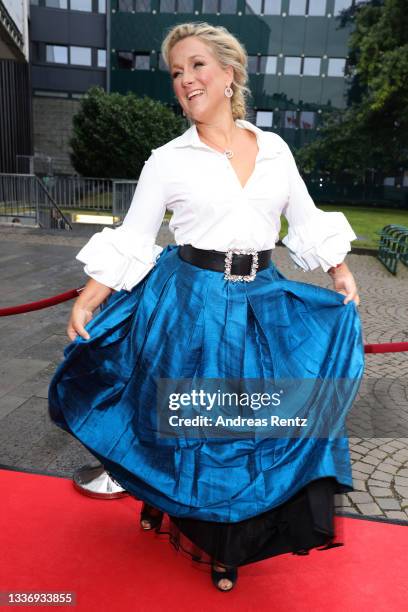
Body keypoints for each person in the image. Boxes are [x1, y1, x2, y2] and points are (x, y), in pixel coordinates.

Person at [48, 22, 364, 592]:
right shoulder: (167, 159)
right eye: (175, 72)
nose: (186, 80)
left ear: (229, 74)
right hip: (192, 301)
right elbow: (136, 236)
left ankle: (240, 534)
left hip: (263, 299)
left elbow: (308, 219)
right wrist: (90, 298)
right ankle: (203, 528)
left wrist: (339, 270)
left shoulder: (275, 149)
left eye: (196, 65)